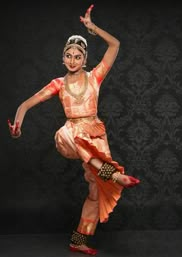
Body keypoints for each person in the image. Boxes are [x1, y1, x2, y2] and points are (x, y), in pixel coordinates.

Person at [8, 4, 140, 256]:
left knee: (94, 191)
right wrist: (18, 126)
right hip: (70, 137)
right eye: (68, 55)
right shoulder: (58, 84)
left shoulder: (95, 78)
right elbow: (26, 104)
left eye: (77, 56)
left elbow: (115, 46)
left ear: (85, 59)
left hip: (96, 135)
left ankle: (78, 240)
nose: (72, 60)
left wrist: (93, 28)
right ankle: (116, 175)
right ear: (62, 58)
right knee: (75, 134)